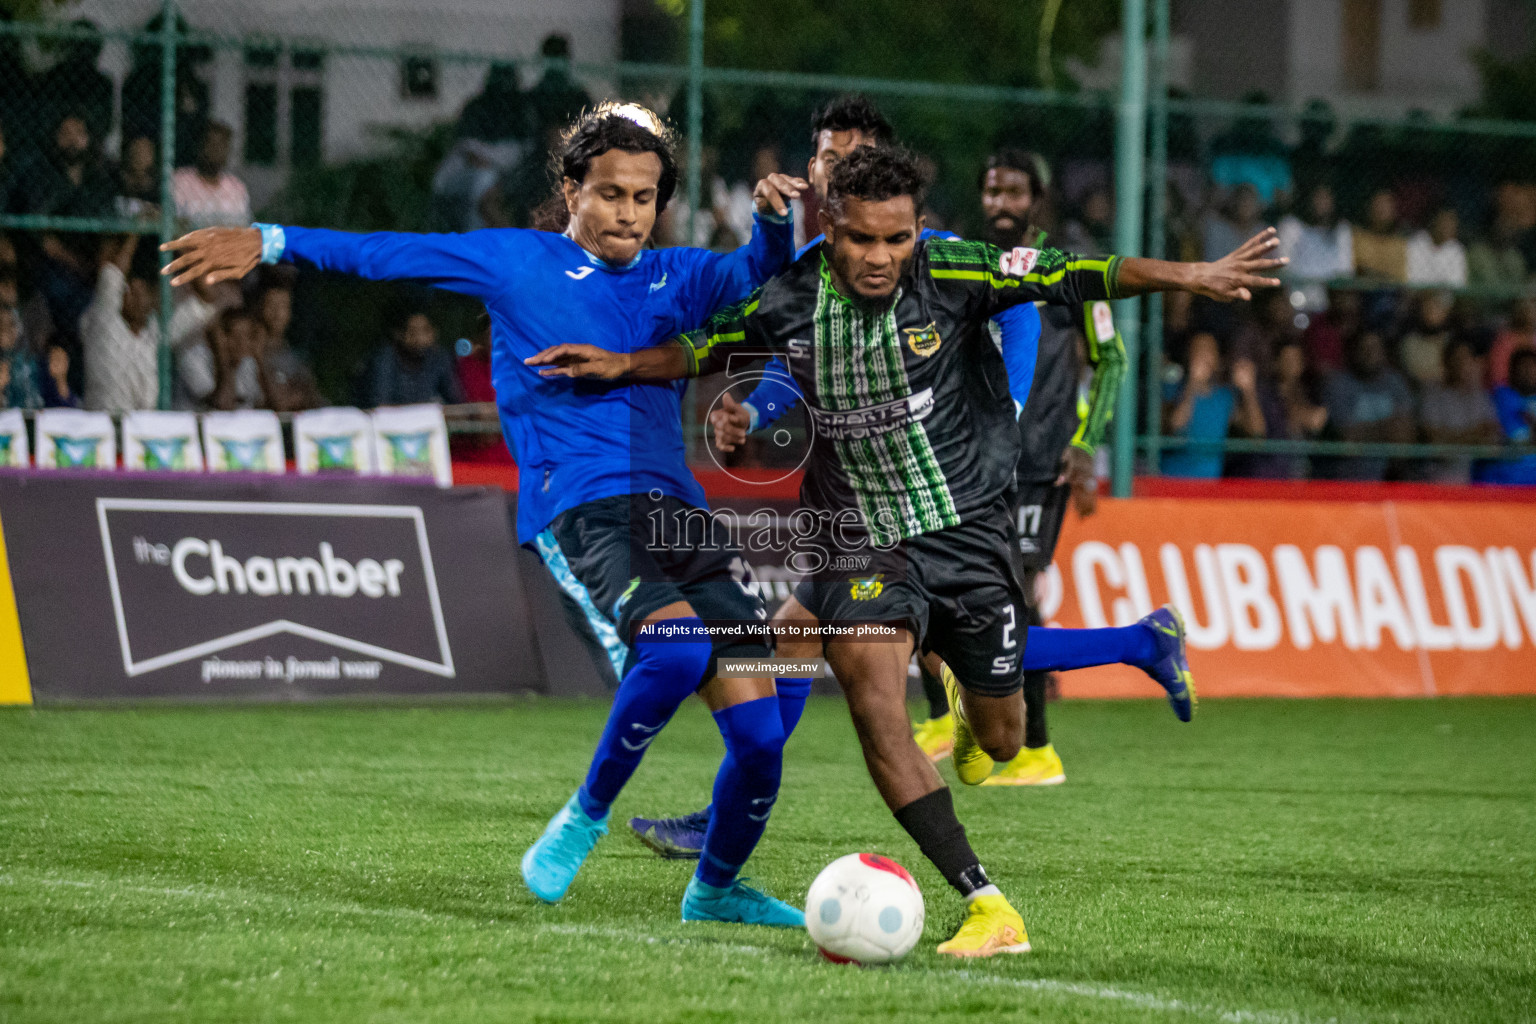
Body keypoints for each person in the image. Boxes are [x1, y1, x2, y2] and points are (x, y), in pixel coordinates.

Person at [528, 144, 1283, 957]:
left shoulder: (960, 272)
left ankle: (1083, 659)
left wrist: (1192, 276)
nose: (879, 258)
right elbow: (703, 348)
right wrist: (624, 366)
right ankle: (986, 904)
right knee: (874, 711)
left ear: (918, 231)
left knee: (999, 739)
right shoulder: (789, 297)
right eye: (859, 240)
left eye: (896, 241)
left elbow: (1079, 274)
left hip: (967, 538)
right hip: (861, 549)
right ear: (831, 229)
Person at [162, 102, 810, 928]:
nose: (627, 213)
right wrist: (271, 240)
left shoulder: (674, 276)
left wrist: (774, 224)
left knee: (761, 738)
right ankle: (584, 816)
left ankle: (714, 892)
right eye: (610, 193)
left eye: (645, 198)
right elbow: (385, 255)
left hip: (676, 513)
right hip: (582, 510)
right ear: (571, 190)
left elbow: (761, 275)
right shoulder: (516, 262)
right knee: (679, 655)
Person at [12, 111, 116, 337]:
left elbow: (109, 232)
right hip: (56, 268)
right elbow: (44, 240)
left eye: (78, 133)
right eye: (65, 133)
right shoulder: (42, 178)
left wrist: (99, 267)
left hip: (93, 263)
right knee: (62, 292)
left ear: (89, 138)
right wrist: (79, 265)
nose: (72, 139)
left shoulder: (98, 179)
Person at [1160, 332, 1266, 479]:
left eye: (1209, 351)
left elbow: (1257, 436)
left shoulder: (1225, 397)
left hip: (1209, 486)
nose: (1204, 356)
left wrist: (1249, 391)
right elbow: (1175, 426)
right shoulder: (1172, 389)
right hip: (1172, 482)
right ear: (1188, 357)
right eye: (1198, 351)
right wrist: (1192, 383)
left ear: (1217, 360)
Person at [1317, 329, 1415, 481]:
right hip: (1346, 476)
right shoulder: (1337, 384)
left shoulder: (1395, 383)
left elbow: (1404, 436)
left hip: (1389, 477)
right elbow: (1347, 437)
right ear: (1353, 352)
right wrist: (1387, 429)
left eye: (1375, 348)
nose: (1370, 354)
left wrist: (1364, 432)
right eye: (1364, 348)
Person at [80, 234, 159, 412]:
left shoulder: (152, 330)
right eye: (131, 293)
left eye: (141, 294)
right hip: (103, 422)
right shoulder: (103, 319)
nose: (137, 300)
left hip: (142, 425)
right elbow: (111, 277)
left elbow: (204, 304)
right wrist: (136, 232)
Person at [1418, 339, 1500, 484]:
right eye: (1456, 359)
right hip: (1439, 478)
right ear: (1445, 362)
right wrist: (1475, 434)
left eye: (1466, 358)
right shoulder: (1432, 394)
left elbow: (1493, 442)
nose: (1461, 363)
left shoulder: (1481, 395)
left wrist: (1452, 437)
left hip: (1478, 478)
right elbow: (1437, 445)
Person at [364, 306, 464, 407]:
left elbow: (456, 401)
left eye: (425, 330)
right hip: (395, 420)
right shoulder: (385, 359)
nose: (420, 338)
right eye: (413, 332)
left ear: (434, 332)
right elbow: (380, 406)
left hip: (427, 419)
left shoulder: (439, 357)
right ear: (399, 334)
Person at [1275, 182, 1351, 313]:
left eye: (1325, 198)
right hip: (1295, 303)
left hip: (1332, 307)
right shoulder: (1290, 225)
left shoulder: (1341, 229)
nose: (1321, 203)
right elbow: (1283, 267)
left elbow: (1346, 269)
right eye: (1317, 197)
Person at [172, 122, 251, 229]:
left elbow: (242, 228)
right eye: (211, 143)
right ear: (199, 146)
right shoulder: (181, 180)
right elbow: (175, 224)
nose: (215, 150)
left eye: (221, 145)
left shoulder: (236, 187)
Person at [1480, 349, 1536, 485]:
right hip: (1503, 475)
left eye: (1531, 367)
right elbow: (1507, 436)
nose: (1527, 372)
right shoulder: (1500, 396)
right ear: (1512, 370)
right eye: (1523, 367)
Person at [1397, 290, 1455, 388]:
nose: (1432, 312)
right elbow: (1414, 375)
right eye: (1429, 307)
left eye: (1438, 308)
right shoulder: (1410, 342)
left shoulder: (1451, 341)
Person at [1352, 189, 1408, 282]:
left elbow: (1399, 278)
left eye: (1386, 206)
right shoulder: (1357, 237)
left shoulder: (1399, 243)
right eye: (1378, 204)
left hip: (1391, 292)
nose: (1382, 210)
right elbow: (1357, 270)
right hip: (1362, 291)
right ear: (1369, 208)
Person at [1405, 207, 1467, 288]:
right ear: (1434, 221)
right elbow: (1411, 279)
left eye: (1452, 222)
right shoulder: (1416, 242)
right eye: (1445, 221)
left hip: (1443, 298)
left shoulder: (1457, 250)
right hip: (1415, 297)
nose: (1448, 226)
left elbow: (1457, 285)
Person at [1488, 298, 1536, 388]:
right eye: (1530, 313)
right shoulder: (1505, 341)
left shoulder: (1533, 338)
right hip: (1510, 391)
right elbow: (1497, 374)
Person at [0, 303, 39, 410]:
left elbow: (36, 400)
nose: (7, 330)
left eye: (12, 324)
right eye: (2, 324)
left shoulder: (27, 360)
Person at [39, 342, 78, 407]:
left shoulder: (74, 390)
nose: (55, 364)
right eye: (52, 359)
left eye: (58, 359)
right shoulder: (42, 389)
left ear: (67, 363)